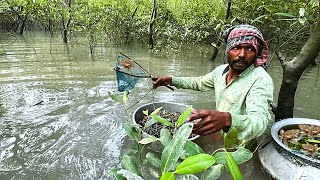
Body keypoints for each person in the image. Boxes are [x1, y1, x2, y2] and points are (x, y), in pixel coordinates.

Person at [152, 24, 274, 142]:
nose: (242, 54)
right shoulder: (220, 71)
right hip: (219, 132)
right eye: (237, 47)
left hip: (241, 145)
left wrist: (228, 120)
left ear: (256, 54)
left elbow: (259, 122)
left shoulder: (260, 79)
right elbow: (198, 83)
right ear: (228, 50)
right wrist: (171, 80)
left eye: (250, 49)